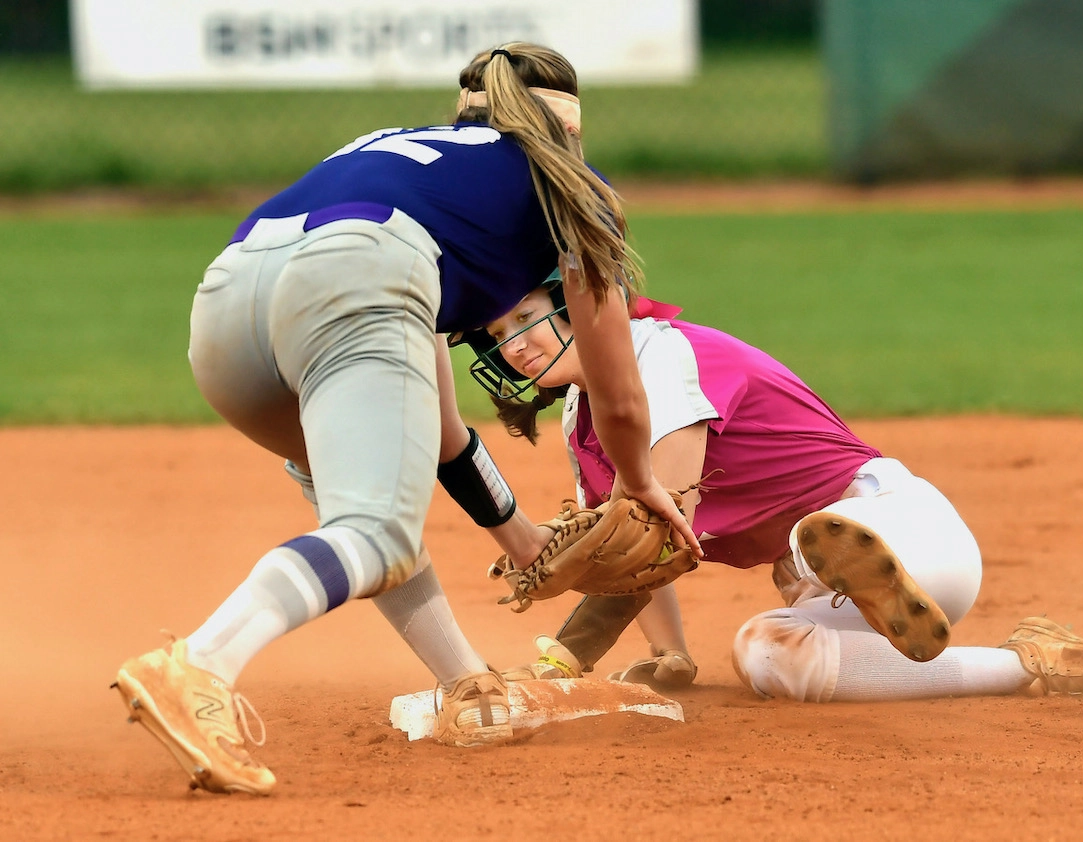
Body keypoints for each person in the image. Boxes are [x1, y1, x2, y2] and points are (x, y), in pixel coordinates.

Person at [111, 42, 701, 797]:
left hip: (227, 302)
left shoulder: (397, 154)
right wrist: (640, 481)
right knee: (372, 530)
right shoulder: (569, 182)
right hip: (357, 274)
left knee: (356, 506)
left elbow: (443, 434)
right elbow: (618, 397)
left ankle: (467, 688)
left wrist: (519, 536)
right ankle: (198, 665)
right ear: (570, 132)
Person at [458, 277, 1083, 702]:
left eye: (526, 317)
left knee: (810, 536)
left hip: (906, 527)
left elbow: (663, 530)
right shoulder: (583, 418)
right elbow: (635, 561)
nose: (515, 344)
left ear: (579, 301)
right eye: (499, 335)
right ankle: (1032, 663)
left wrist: (567, 656)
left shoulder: (658, 352)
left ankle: (842, 551)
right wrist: (672, 653)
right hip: (829, 590)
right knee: (768, 653)